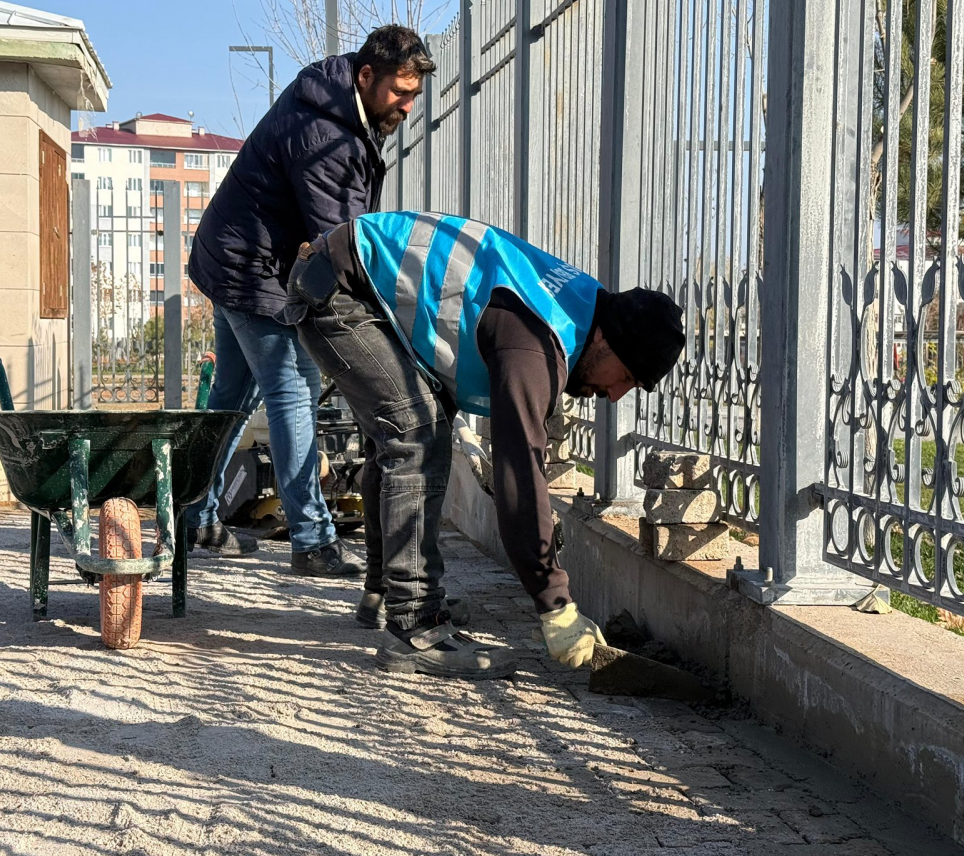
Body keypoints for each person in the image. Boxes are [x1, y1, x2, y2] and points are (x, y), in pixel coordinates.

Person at [279, 210, 685, 679]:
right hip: (340, 290)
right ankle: (415, 628)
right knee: (416, 434)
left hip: (348, 276)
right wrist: (555, 603)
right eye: (627, 377)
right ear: (606, 341)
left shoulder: (579, 308)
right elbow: (520, 476)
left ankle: (391, 593)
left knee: (403, 432)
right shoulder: (536, 343)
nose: (615, 395)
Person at [186, 26, 437, 576]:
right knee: (293, 391)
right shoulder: (327, 135)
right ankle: (312, 539)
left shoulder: (339, 106)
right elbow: (338, 241)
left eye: (414, 95)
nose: (408, 106)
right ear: (366, 76)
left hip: (233, 254)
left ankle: (194, 516)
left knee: (231, 398)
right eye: (401, 92)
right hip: (252, 268)